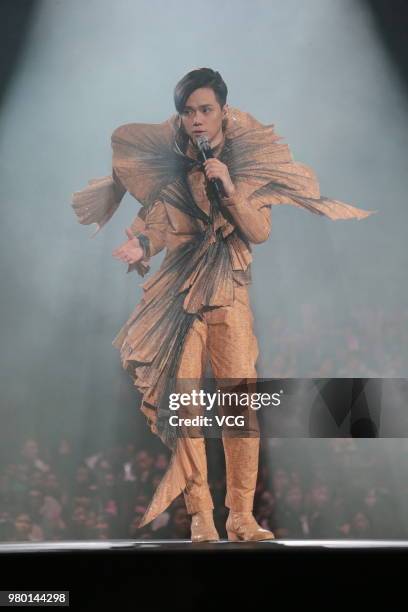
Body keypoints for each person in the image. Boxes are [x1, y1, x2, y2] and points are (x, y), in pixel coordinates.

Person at [71, 67, 374, 542]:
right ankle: (200, 516)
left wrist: (229, 188)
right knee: (188, 408)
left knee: (238, 406)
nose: (197, 119)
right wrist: (142, 246)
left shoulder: (248, 160)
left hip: (230, 291)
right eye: (189, 111)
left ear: (222, 111)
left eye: (205, 109)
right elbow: (159, 224)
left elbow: (259, 231)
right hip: (181, 294)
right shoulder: (172, 167)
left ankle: (241, 515)